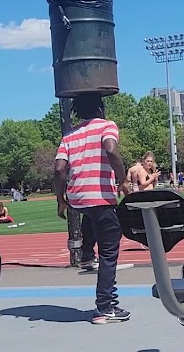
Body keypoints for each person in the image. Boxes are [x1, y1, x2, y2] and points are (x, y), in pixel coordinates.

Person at [54, 92, 131, 324]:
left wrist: (60, 199)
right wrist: (122, 179)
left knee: (91, 215)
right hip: (99, 196)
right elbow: (111, 150)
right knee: (109, 252)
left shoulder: (69, 135)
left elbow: (59, 169)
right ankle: (105, 307)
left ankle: (87, 253)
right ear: (100, 109)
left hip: (78, 197)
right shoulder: (107, 126)